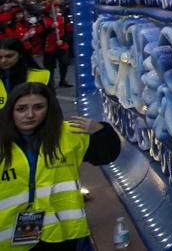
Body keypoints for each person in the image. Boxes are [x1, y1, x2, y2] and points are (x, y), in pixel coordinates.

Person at [0, 82, 121, 249]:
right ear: (10, 110)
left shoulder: (69, 134)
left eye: (39, 107)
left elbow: (106, 155)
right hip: (10, 237)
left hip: (64, 234)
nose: (30, 115)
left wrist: (102, 131)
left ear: (49, 109)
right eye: (21, 109)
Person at [0, 38, 49, 109]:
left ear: (20, 54)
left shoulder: (41, 76)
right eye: (0, 57)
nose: (3, 60)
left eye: (9, 56)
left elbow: (51, 106)